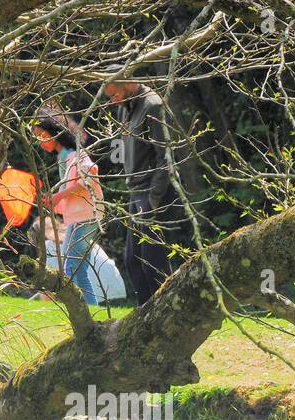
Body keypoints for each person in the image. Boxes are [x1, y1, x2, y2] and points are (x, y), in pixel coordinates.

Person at [102, 79, 182, 305]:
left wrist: (154, 199)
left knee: (153, 259)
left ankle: (166, 311)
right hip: (135, 191)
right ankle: (145, 313)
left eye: (115, 94)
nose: (112, 101)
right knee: (132, 260)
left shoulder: (153, 105)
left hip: (153, 192)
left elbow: (165, 157)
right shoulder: (124, 109)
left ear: (128, 84)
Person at [31, 107, 103, 306]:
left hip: (87, 217)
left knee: (74, 266)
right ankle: (90, 313)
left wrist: (59, 196)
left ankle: (91, 312)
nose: (40, 141)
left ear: (54, 133)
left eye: (41, 135)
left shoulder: (73, 155)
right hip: (79, 217)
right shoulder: (64, 155)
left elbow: (88, 176)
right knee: (74, 266)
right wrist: (54, 201)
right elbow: (70, 188)